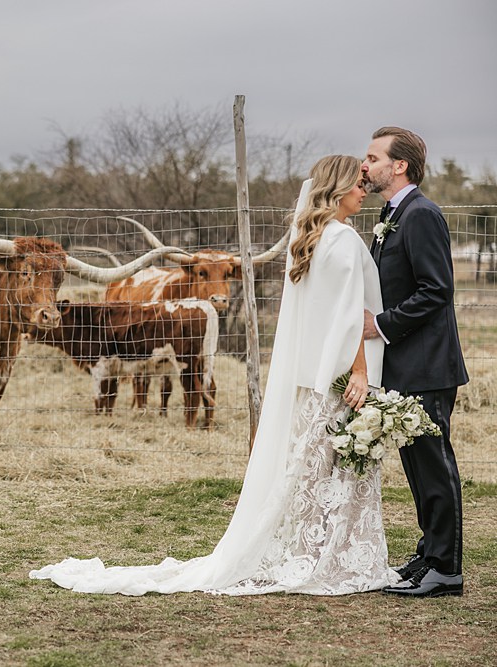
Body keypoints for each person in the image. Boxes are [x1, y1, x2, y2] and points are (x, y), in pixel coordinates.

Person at [30, 155, 400, 596]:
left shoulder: (309, 237)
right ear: (338, 187)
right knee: (332, 468)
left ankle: (317, 553)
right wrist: (360, 370)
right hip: (340, 374)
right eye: (358, 183)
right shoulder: (341, 239)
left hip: (313, 374)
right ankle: (331, 558)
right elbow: (348, 314)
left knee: (312, 470)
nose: (365, 190)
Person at [362, 126, 469, 598]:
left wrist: (380, 325)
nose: (363, 166)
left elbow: (436, 291)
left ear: (398, 165)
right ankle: (429, 554)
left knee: (434, 462)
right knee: (416, 465)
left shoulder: (421, 214)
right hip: (404, 365)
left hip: (427, 363)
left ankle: (446, 568)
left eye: (372, 157)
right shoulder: (393, 214)